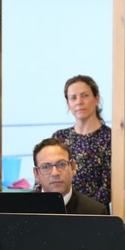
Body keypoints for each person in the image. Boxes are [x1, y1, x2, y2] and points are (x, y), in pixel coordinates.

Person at [52, 74, 112, 208]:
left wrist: (84, 209)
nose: (79, 101)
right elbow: (46, 176)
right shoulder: (59, 137)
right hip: (58, 211)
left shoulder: (110, 137)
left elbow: (109, 186)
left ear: (96, 99)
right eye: (73, 98)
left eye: (85, 95)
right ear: (68, 103)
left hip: (94, 214)